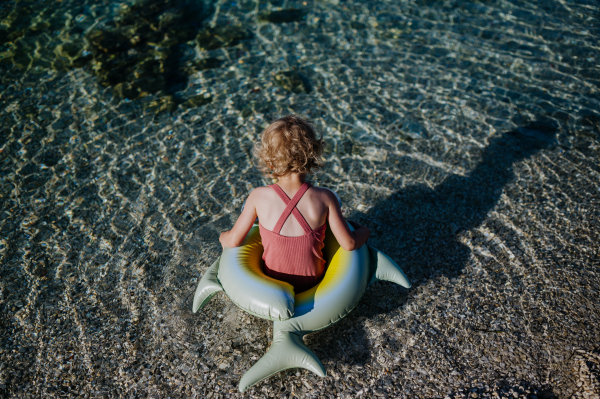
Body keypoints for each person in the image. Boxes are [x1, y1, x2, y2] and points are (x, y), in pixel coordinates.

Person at [219, 115, 370, 293]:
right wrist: (365, 231)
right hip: (314, 284)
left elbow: (233, 241)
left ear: (269, 162)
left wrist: (222, 236)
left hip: (272, 283)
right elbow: (349, 244)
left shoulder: (258, 196)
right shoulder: (325, 197)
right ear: (312, 157)